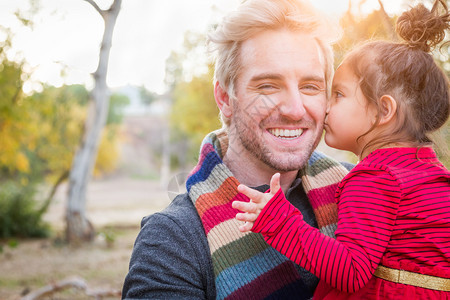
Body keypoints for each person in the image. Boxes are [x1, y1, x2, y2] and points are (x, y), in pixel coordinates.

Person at [121, 0, 353, 299]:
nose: (296, 109)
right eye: (268, 86)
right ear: (224, 98)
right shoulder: (173, 240)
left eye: (310, 86)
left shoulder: (362, 191)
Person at [232, 1, 450, 299]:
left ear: (383, 110)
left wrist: (279, 220)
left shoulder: (376, 178)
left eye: (339, 94)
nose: (326, 108)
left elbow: (351, 271)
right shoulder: (432, 174)